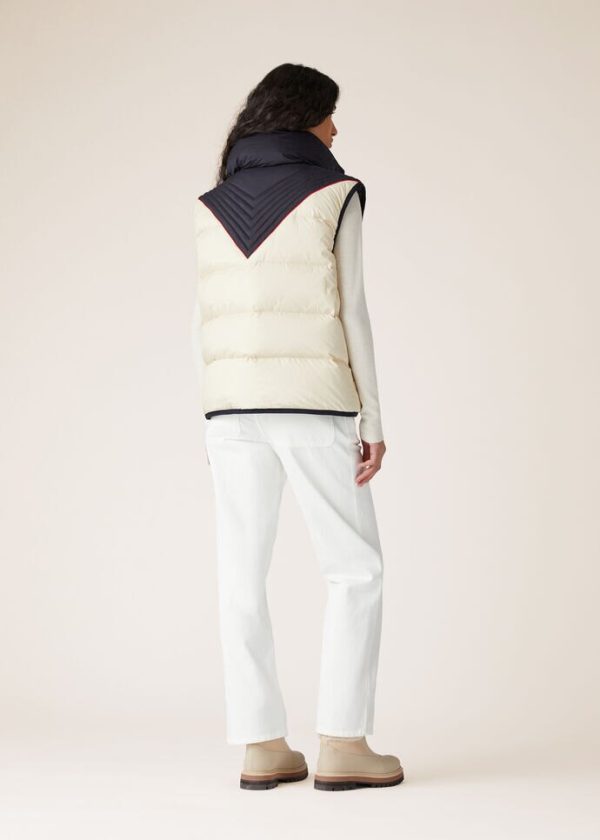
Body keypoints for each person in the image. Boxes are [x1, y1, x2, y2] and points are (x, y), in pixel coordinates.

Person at [192, 63, 403, 792]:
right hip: (316, 404)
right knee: (355, 569)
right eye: (329, 114)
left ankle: (261, 746)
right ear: (304, 113)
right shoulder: (334, 193)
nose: (336, 129)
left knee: (240, 576)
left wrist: (213, 411)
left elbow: (202, 321)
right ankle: (343, 742)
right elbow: (353, 309)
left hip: (231, 410)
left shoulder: (210, 203)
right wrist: (372, 416)